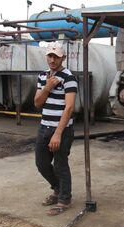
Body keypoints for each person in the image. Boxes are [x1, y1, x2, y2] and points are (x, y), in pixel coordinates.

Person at [34, 42, 77, 216]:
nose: (52, 60)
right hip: (44, 127)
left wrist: (58, 134)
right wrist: (48, 87)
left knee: (60, 165)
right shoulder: (42, 77)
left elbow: (69, 107)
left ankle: (64, 199)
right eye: (50, 56)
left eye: (56, 56)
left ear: (63, 58)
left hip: (62, 130)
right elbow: (37, 103)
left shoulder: (69, 78)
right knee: (42, 163)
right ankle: (58, 188)